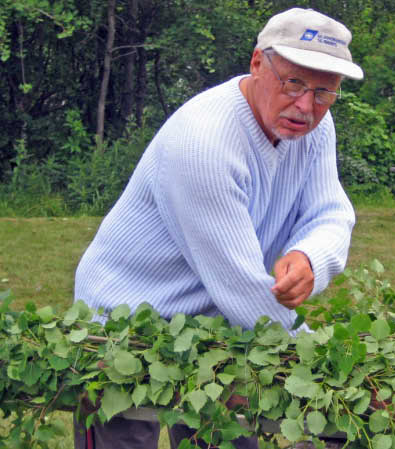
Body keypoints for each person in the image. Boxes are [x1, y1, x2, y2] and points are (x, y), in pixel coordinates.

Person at [72, 8, 363, 449]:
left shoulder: (314, 128)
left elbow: (331, 211)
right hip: (122, 327)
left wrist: (310, 256)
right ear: (257, 63)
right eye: (293, 83)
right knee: (123, 434)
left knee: (225, 439)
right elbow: (245, 291)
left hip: (216, 328)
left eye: (324, 92)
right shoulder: (205, 142)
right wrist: (329, 371)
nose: (307, 106)